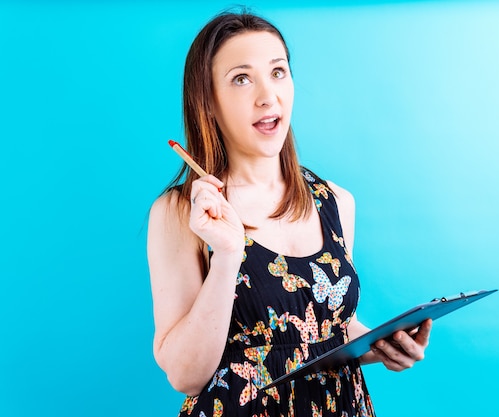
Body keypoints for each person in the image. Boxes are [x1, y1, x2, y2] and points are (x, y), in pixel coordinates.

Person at [147, 10, 432, 417]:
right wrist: (227, 255)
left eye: (278, 72)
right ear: (208, 101)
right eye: (241, 78)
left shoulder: (335, 201)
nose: (268, 95)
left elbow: (318, 323)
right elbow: (185, 375)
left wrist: (383, 346)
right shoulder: (181, 213)